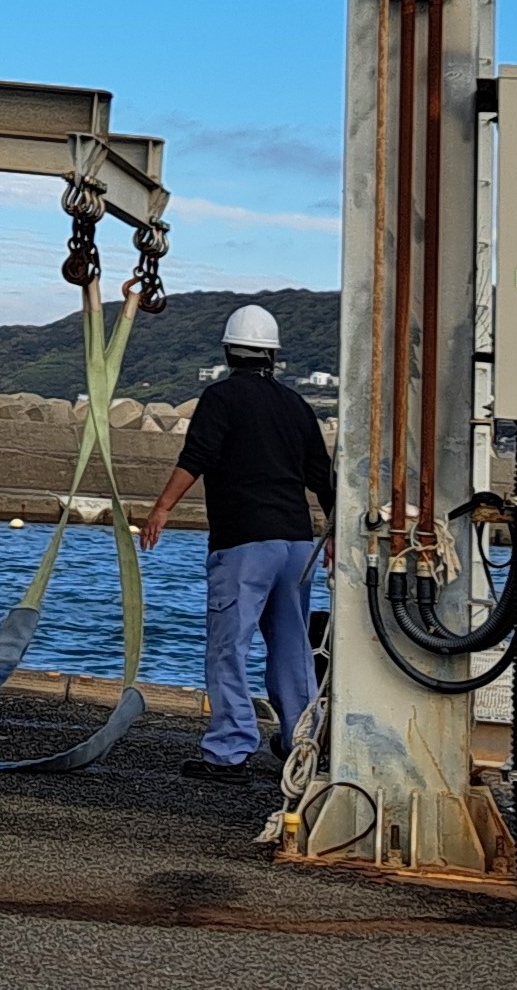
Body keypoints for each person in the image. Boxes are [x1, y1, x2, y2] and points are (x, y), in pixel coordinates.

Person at [134, 303, 335, 781]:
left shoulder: (221, 398)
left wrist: (161, 508)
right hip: (296, 543)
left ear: (229, 351)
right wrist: (333, 531)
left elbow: (197, 456)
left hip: (244, 541)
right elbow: (323, 476)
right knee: (292, 647)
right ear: (273, 355)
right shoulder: (297, 406)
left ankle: (228, 750)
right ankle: (300, 743)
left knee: (230, 646)